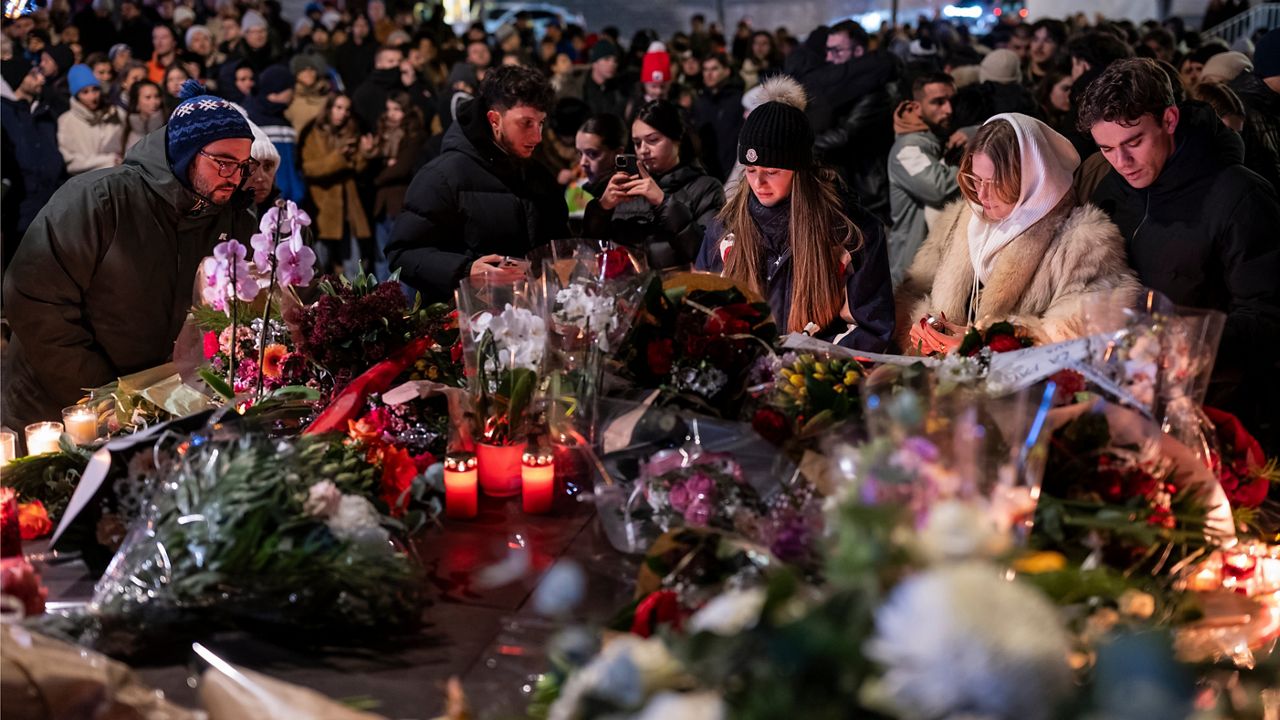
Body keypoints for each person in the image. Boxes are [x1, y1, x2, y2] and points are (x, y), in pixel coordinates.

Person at [2, 80, 258, 433]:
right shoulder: (100, 200)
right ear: (185, 154)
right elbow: (33, 299)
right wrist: (102, 395)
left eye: (244, 165)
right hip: (54, 407)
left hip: (154, 411)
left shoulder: (231, 216)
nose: (235, 177)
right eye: (223, 163)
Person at [1080, 58, 1280, 445]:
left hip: (1219, 410)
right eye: (1106, 148)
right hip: (1129, 400)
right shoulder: (1111, 190)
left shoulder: (1240, 195)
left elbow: (1267, 314)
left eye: (1134, 142)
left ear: (1169, 120)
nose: (1122, 162)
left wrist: (1183, 345)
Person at [896, 113, 1138, 353]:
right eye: (976, 179)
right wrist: (925, 330)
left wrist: (987, 344)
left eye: (995, 182)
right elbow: (913, 293)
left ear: (1031, 177)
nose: (982, 196)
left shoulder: (1084, 243)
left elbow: (1078, 334)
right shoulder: (958, 220)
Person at [695, 100, 894, 351]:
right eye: (751, 170)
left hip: (816, 377)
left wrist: (803, 363)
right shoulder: (725, 228)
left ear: (799, 170)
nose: (759, 183)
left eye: (772, 171)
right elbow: (700, 311)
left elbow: (872, 329)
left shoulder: (850, 233)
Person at [385, 64, 568, 302]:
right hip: (464, 324)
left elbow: (560, 245)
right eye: (526, 123)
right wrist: (466, 270)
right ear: (495, 119)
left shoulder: (539, 175)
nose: (537, 137)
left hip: (531, 318)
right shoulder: (442, 176)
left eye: (541, 123)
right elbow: (402, 253)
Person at [582, 99, 725, 269]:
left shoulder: (706, 188)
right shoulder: (625, 183)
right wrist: (602, 208)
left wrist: (664, 204)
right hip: (625, 288)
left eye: (653, 140)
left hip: (678, 288)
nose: (643, 149)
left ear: (677, 140)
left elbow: (708, 256)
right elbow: (589, 250)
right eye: (637, 143)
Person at [887, 72, 960, 285]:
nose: (949, 109)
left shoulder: (939, 139)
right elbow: (939, 188)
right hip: (914, 274)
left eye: (951, 101)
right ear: (916, 107)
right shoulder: (907, 149)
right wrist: (973, 165)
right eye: (938, 102)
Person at [301, 92, 371, 276]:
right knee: (318, 265)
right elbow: (310, 168)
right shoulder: (314, 132)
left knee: (355, 268)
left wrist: (365, 153)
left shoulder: (352, 131)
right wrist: (338, 157)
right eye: (339, 107)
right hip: (324, 207)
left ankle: (357, 304)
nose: (343, 113)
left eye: (347, 109)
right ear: (329, 108)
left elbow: (357, 168)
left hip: (349, 209)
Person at [1, 58, 66, 256]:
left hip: (50, 207)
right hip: (18, 209)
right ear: (17, 80)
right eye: (33, 74)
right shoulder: (4, 114)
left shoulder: (45, 112)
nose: (41, 78)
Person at [368, 91, 427, 279]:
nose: (391, 114)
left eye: (396, 109)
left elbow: (402, 167)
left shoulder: (414, 135)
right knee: (381, 257)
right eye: (388, 109)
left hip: (401, 202)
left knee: (400, 259)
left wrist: (378, 177)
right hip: (382, 205)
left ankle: (403, 304)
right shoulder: (382, 134)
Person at [244, 64, 304, 204]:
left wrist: (299, 188)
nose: (293, 94)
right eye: (291, 88)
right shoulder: (252, 118)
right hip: (266, 197)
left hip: (293, 197)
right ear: (279, 89)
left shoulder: (285, 121)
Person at [58, 63, 125, 175]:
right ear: (76, 95)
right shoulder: (66, 121)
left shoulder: (114, 114)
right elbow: (71, 163)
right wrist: (109, 161)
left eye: (95, 90)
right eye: (85, 92)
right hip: (85, 186)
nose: (93, 96)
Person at [692, 51, 745, 181]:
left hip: (733, 171)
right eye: (705, 69)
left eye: (714, 69)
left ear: (726, 71)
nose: (709, 74)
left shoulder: (739, 100)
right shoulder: (700, 102)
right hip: (706, 172)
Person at [122, 79, 164, 152]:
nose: (154, 102)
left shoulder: (167, 126)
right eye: (148, 97)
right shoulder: (125, 126)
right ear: (136, 102)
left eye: (157, 96)